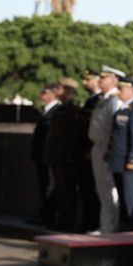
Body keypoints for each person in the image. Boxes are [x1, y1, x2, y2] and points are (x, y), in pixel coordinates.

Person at [86, 67, 125, 234]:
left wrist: (110, 149)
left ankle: (110, 227)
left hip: (107, 148)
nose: (100, 80)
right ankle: (105, 225)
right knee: (101, 188)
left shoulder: (115, 100)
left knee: (109, 187)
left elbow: (115, 128)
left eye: (104, 78)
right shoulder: (104, 99)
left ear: (114, 81)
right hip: (98, 146)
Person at [107, 78, 133, 230]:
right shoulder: (122, 109)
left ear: (131, 91)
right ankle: (124, 228)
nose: (118, 92)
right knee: (123, 198)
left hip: (128, 163)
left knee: (131, 198)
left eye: (121, 89)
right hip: (118, 161)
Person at [45, 80, 85, 231]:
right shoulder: (60, 110)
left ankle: (68, 220)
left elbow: (72, 136)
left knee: (67, 190)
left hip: (66, 157)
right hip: (57, 156)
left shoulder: (72, 111)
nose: (57, 91)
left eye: (60, 89)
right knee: (60, 190)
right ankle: (62, 219)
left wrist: (69, 155)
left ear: (68, 92)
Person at [76, 71, 103, 226]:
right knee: (85, 188)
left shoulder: (100, 101)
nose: (84, 82)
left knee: (93, 188)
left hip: (92, 150)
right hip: (84, 150)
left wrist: (91, 148)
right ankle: (89, 221)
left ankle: (93, 222)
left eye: (88, 79)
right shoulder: (92, 100)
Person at [31, 84, 59, 225]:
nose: (42, 95)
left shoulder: (56, 110)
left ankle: (49, 215)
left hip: (48, 155)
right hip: (41, 154)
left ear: (53, 94)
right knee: (43, 185)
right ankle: (44, 213)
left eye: (45, 92)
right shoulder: (46, 110)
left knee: (49, 185)